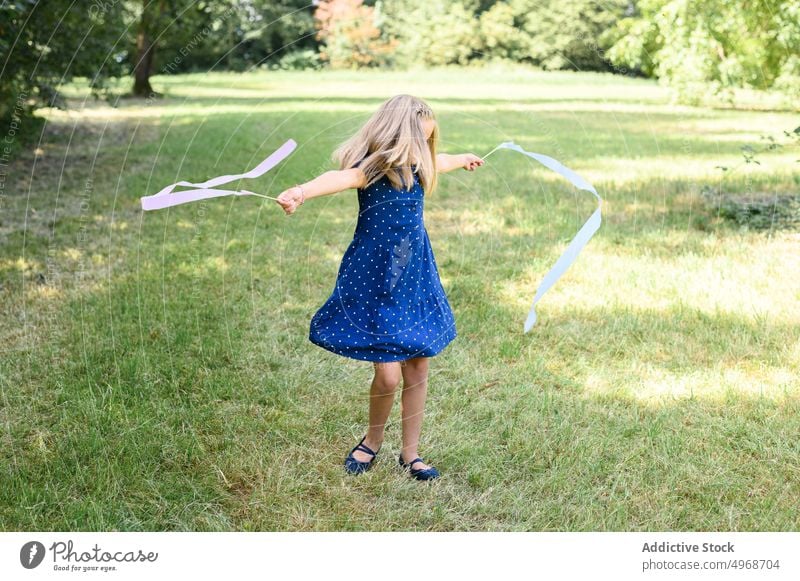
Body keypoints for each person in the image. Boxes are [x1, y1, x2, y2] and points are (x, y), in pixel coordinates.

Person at [275, 94, 484, 481]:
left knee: (418, 363)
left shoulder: (421, 164)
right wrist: (301, 192)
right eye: (418, 140)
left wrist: (464, 157)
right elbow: (339, 178)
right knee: (388, 374)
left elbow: (442, 161)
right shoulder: (373, 168)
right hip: (374, 272)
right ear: (398, 136)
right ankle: (372, 441)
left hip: (414, 270)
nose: (423, 148)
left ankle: (411, 453)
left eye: (427, 140)